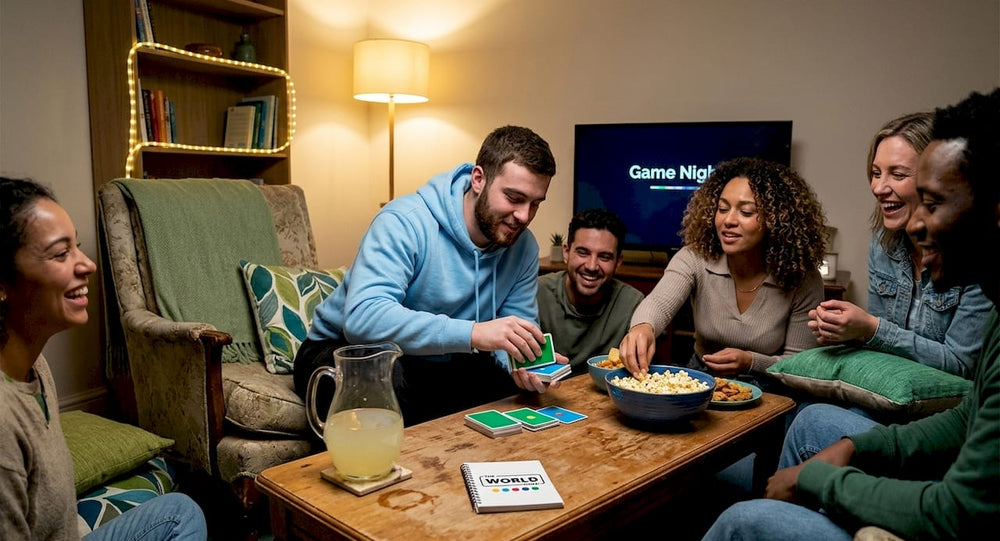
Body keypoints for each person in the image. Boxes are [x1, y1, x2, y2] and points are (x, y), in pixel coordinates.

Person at [689, 88, 1000, 541]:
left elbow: (957, 512)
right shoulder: (896, 249)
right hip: (897, 415)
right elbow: (968, 417)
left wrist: (825, 480)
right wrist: (855, 449)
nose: (916, 224)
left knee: (743, 524)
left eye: (931, 202)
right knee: (814, 422)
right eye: (876, 173)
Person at [295, 125, 565, 427]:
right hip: (342, 350)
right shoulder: (404, 222)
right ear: (479, 179)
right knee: (384, 380)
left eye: (535, 204)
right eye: (514, 198)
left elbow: (515, 334)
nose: (524, 216)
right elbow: (362, 318)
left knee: (512, 401)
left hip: (438, 357)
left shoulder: (523, 246)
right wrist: (474, 332)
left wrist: (525, 367)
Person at [0, 177, 208, 541]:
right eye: (61, 254)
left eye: (77, 245)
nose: (88, 264)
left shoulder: (35, 365)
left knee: (180, 513)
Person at [808, 112, 993, 377]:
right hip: (893, 389)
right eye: (875, 173)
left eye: (897, 174)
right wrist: (847, 332)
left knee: (815, 417)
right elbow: (884, 349)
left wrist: (872, 328)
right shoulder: (883, 245)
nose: (879, 187)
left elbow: (963, 366)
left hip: (956, 407)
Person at [619, 157, 826, 381]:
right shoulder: (694, 257)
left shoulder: (802, 277)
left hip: (772, 386)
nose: (728, 220)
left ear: (776, 220)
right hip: (701, 377)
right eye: (722, 209)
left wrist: (751, 362)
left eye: (746, 212)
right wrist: (642, 327)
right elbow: (658, 303)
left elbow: (800, 365)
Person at [536, 208, 644, 376]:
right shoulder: (536, 294)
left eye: (604, 257)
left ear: (618, 262)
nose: (592, 266)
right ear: (566, 252)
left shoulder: (633, 305)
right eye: (583, 252)